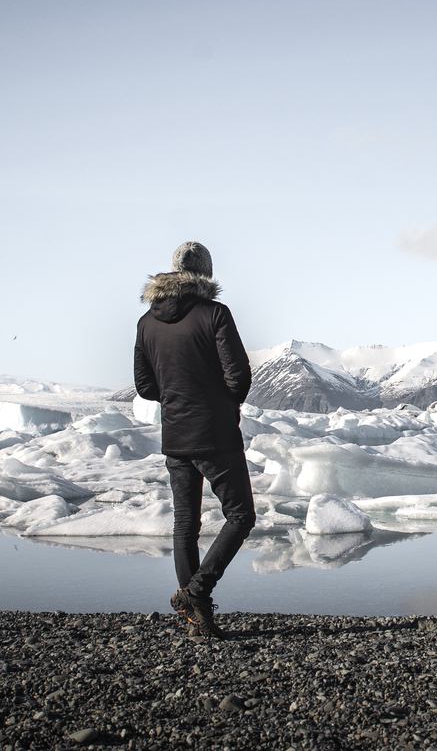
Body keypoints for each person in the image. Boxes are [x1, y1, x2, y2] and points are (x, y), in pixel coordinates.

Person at [133, 241, 255, 639]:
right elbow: (238, 375)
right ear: (206, 273)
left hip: (175, 435)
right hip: (215, 434)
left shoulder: (147, 322)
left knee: (185, 524)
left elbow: (144, 385)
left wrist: (176, 398)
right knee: (241, 516)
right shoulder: (215, 313)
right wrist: (221, 404)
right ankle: (196, 592)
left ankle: (196, 620)